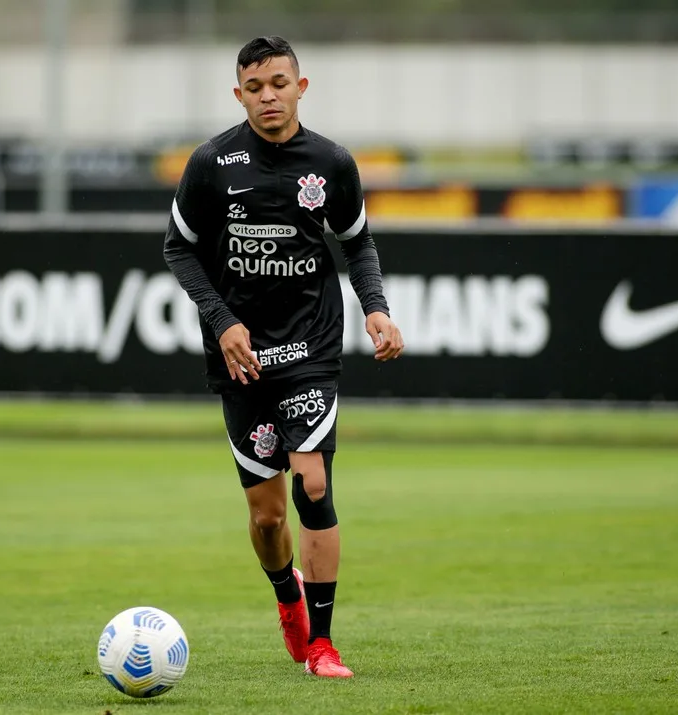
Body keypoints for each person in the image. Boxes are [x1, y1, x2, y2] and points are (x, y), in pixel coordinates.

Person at [163, 35, 403, 679]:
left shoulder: (330, 163)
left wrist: (375, 308)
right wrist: (222, 322)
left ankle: (322, 644)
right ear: (237, 93)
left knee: (314, 482)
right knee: (267, 517)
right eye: (254, 87)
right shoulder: (212, 163)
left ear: (302, 86)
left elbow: (358, 244)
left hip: (310, 345)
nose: (267, 96)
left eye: (278, 83)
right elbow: (178, 249)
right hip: (242, 354)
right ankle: (286, 593)